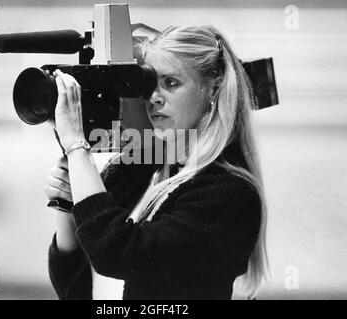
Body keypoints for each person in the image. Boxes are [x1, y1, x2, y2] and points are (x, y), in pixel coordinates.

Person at [45, 25, 268, 300]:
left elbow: (115, 252)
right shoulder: (139, 169)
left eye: (172, 83)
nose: (155, 97)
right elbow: (73, 287)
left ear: (213, 88)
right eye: (149, 84)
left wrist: (76, 145)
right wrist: (67, 208)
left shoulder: (229, 195)